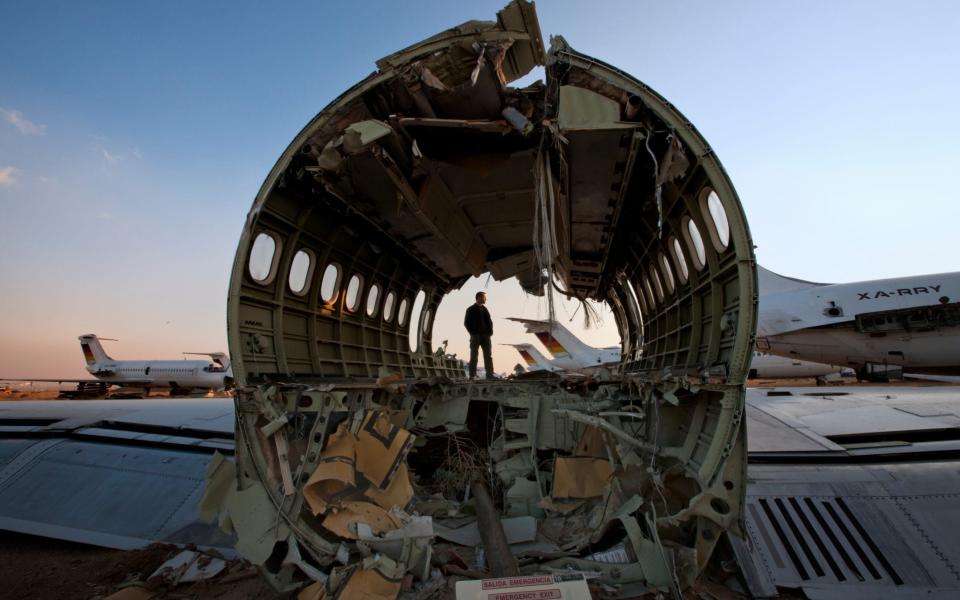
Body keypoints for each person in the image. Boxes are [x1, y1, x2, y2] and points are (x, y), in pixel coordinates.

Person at [464, 291, 494, 379]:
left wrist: (490, 332)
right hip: (475, 336)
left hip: (486, 336)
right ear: (479, 298)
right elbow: (466, 323)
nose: (485, 299)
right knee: (474, 356)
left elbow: (489, 322)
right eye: (484, 297)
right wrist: (473, 333)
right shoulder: (470, 309)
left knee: (488, 356)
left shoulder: (485, 309)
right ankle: (472, 375)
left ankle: (490, 375)